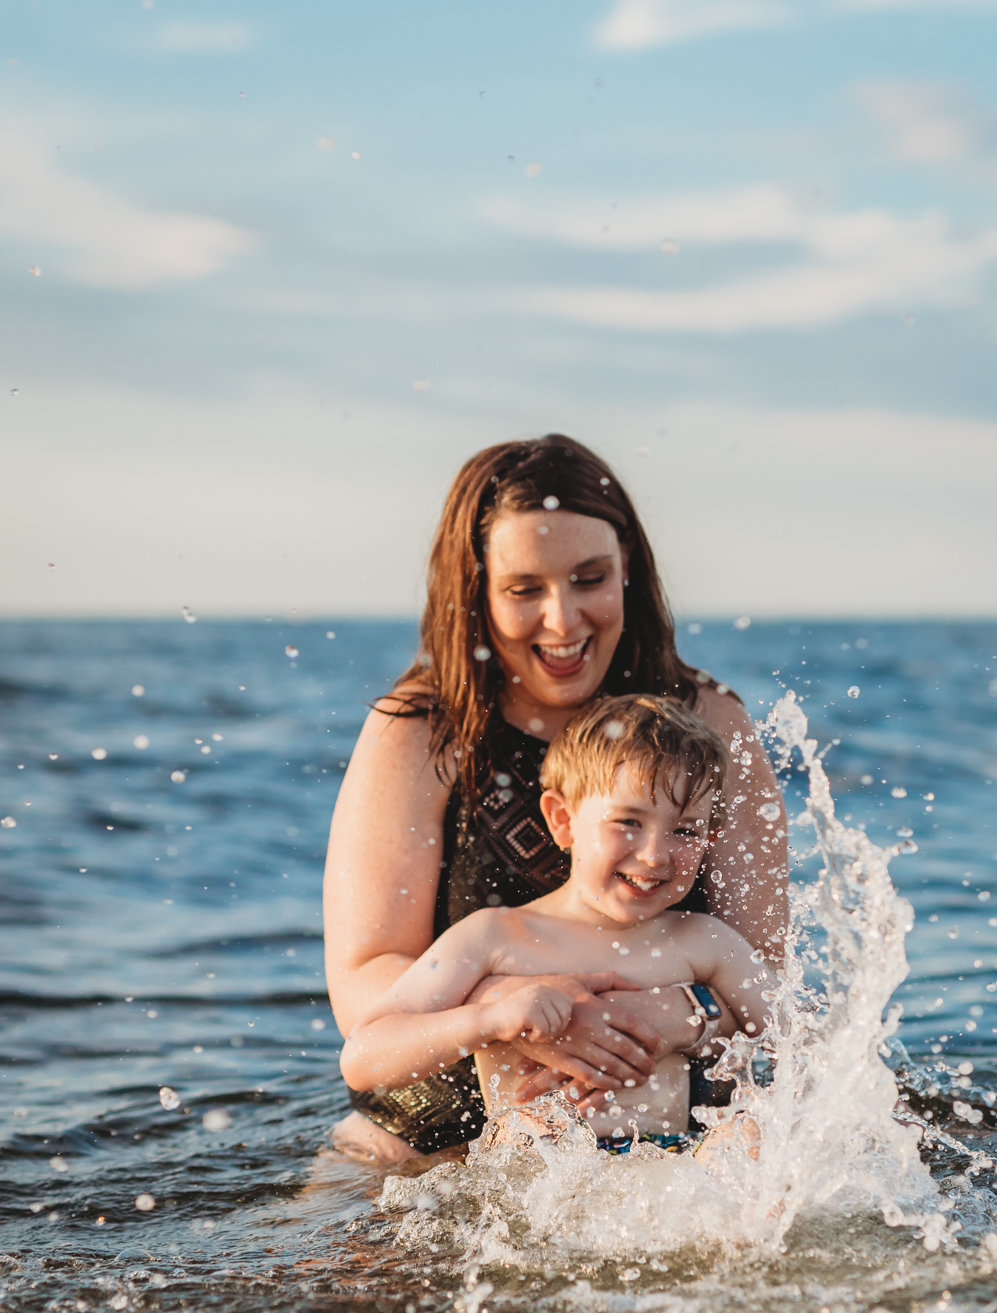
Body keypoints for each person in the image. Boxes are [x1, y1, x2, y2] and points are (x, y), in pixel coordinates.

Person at [324, 433, 787, 1163]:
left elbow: (766, 973)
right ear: (474, 587)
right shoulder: (419, 732)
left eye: (588, 579)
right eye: (524, 589)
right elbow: (367, 985)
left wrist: (683, 1012)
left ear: (627, 570)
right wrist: (523, 1013)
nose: (562, 620)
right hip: (439, 1139)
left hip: (680, 1146)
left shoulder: (708, 721)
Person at [340, 696, 775, 1153]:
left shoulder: (702, 941)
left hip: (667, 1167)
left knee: (747, 1139)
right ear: (563, 820)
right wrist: (488, 1020)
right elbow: (364, 1057)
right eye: (628, 821)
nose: (655, 855)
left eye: (684, 831)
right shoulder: (493, 936)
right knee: (524, 1142)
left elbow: (796, 1041)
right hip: (536, 1174)